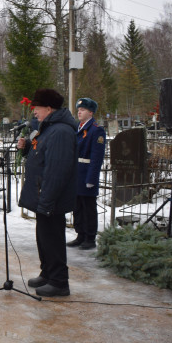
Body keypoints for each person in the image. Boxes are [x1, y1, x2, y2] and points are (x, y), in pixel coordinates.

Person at [17, 88, 77, 297]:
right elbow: (39, 153)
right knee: (43, 237)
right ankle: (47, 273)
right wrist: (25, 149)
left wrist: (47, 199)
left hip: (52, 197)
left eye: (37, 108)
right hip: (43, 194)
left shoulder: (60, 132)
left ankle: (59, 282)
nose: (34, 111)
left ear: (49, 108)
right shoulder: (48, 128)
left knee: (52, 238)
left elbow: (57, 170)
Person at [68, 98, 106, 250]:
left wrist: (92, 178)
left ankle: (90, 237)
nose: (79, 112)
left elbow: (97, 158)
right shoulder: (79, 128)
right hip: (77, 173)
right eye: (78, 110)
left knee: (88, 207)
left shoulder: (96, 130)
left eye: (82, 110)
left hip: (87, 173)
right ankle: (80, 234)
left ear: (91, 112)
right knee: (77, 206)